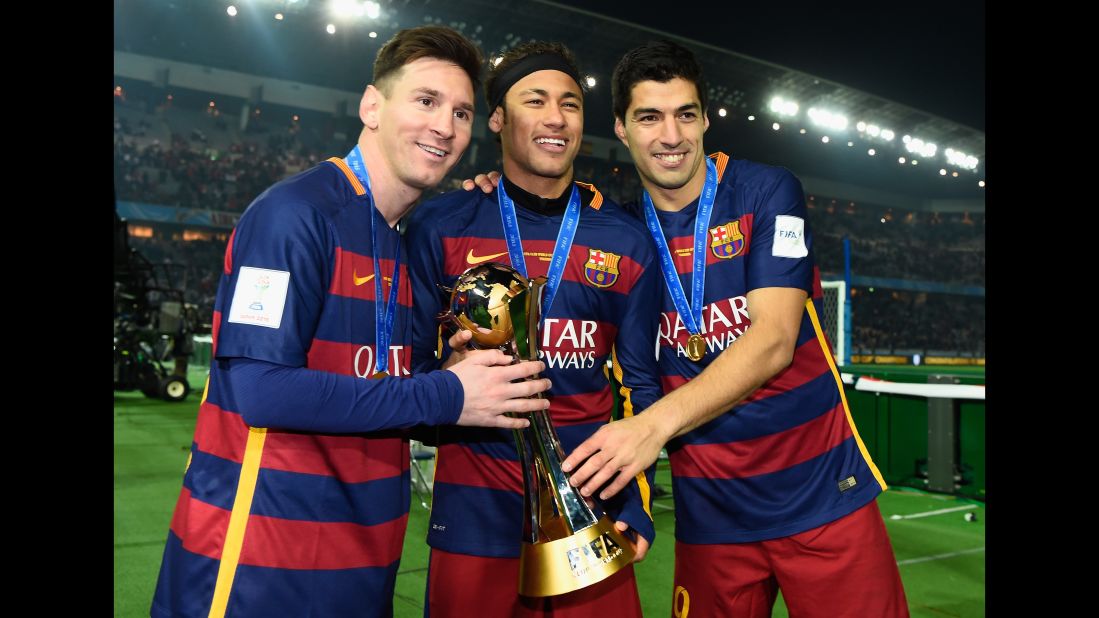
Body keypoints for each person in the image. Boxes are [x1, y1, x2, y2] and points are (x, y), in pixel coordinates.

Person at [149, 26, 552, 618]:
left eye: (462, 112)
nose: (445, 125)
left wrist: (461, 381)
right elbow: (260, 392)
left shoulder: (406, 246)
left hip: (363, 569)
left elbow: (397, 396)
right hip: (260, 567)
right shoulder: (293, 216)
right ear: (371, 106)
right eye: (426, 101)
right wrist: (445, 392)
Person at [557, 40, 910, 617]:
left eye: (685, 115)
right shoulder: (620, 235)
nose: (670, 136)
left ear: (704, 119)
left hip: (823, 499)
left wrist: (653, 427)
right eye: (649, 117)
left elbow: (772, 342)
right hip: (711, 517)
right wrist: (487, 191)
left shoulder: (766, 191)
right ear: (621, 129)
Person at [406, 41, 663, 617]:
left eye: (570, 104)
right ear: (498, 118)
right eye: (535, 100)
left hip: (591, 508)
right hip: (474, 514)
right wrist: (445, 380)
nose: (556, 118)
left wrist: (636, 496)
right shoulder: (440, 226)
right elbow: (408, 377)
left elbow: (639, 385)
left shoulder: (625, 239)